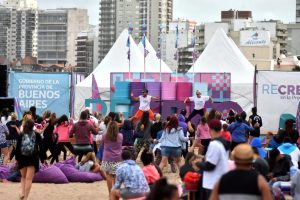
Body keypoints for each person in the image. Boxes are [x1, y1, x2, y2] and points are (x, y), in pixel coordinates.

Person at [196, 119, 230, 200]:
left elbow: (210, 165)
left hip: (212, 183)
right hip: (222, 179)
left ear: (210, 130)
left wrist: (198, 163)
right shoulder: (225, 142)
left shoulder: (214, 144)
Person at [15, 119, 43, 200]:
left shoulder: (21, 134)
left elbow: (17, 148)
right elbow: (41, 147)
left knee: (23, 177)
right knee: (29, 179)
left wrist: (17, 159)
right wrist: (42, 158)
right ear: (33, 126)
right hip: (33, 158)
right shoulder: (37, 135)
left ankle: (22, 193)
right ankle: (26, 197)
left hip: (22, 158)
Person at [100, 121, 123, 195]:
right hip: (117, 159)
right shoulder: (120, 136)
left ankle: (110, 193)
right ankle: (115, 193)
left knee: (109, 176)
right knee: (116, 176)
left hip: (107, 158)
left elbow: (102, 146)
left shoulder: (104, 136)